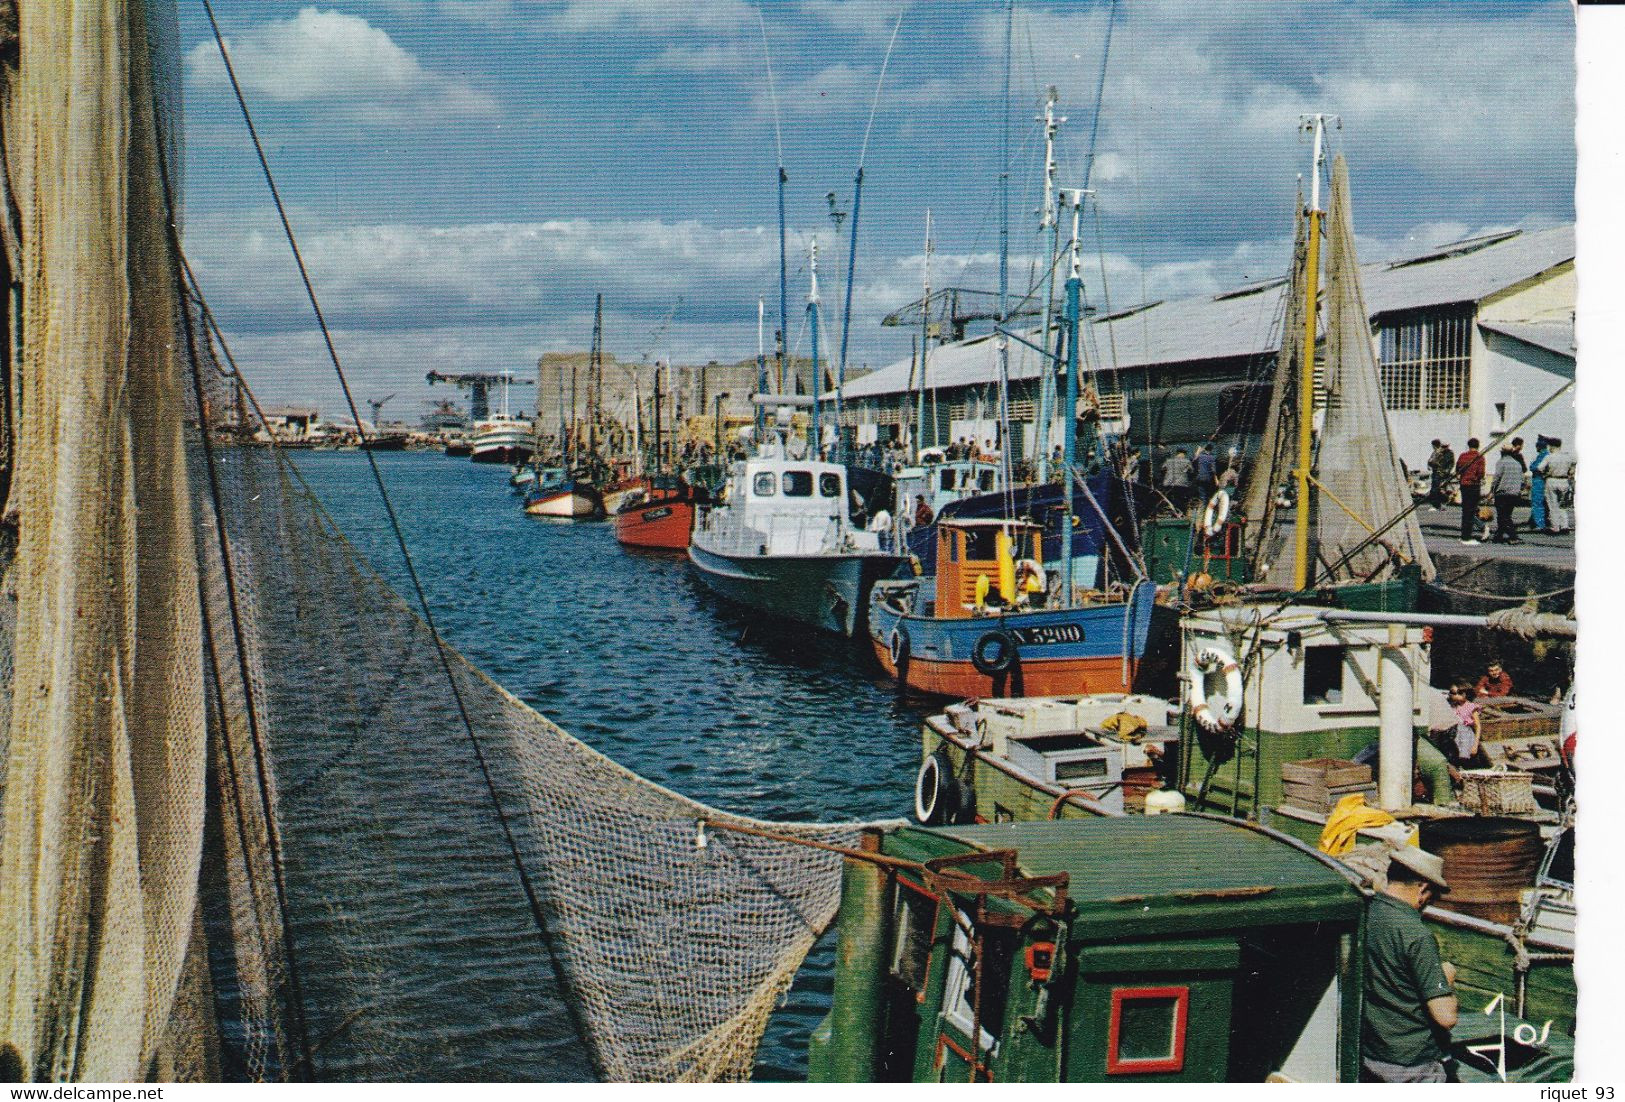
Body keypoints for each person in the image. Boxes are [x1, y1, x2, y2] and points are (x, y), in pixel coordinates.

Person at [1361, 848, 1458, 1083]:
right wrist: (1447, 981)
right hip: (1411, 1063)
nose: (1427, 905)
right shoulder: (1417, 935)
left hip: (1371, 1053)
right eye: (1432, 898)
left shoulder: (1365, 913)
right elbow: (1445, 1017)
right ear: (1423, 889)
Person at [1490, 437, 1526, 544]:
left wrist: (1492, 491)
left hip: (1502, 492)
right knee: (1506, 514)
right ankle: (1498, 536)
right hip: (1514, 493)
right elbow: (1522, 480)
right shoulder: (1517, 464)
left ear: (1502, 452)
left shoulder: (1501, 462)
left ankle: (1513, 536)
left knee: (1503, 515)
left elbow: (1497, 478)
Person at [1454, 439, 1485, 544]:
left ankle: (1464, 535)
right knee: (1471, 511)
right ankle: (1467, 536)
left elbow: (1457, 469)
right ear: (1478, 445)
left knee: (1465, 510)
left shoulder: (1463, 456)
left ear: (1468, 445)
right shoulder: (1480, 457)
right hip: (1474, 486)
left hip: (1464, 485)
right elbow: (1481, 473)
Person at [1542, 437, 1573, 533]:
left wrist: (1546, 473)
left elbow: (1540, 468)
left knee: (1553, 505)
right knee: (1562, 505)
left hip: (1552, 479)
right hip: (1564, 480)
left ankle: (1555, 527)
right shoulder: (1567, 457)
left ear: (1551, 446)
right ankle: (1565, 525)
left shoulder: (1549, 457)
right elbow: (1572, 467)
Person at [1160, 448, 1194, 514]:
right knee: (1181, 499)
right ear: (1183, 454)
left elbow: (1162, 469)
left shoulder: (1169, 460)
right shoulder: (1186, 461)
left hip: (1168, 483)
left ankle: (1171, 512)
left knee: (1169, 499)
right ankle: (1180, 513)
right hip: (1181, 483)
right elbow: (1192, 471)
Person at [1527, 437, 1550, 532]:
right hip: (1543, 481)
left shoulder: (1542, 455)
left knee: (1537, 503)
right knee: (1543, 503)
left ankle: (1540, 523)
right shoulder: (1547, 455)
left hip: (1538, 481)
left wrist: (1532, 466)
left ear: (1539, 447)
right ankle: (1537, 521)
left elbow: (1533, 467)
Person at [1426, 439, 1454, 509]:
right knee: (1435, 490)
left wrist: (1447, 471)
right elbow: (1431, 461)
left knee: (1438, 489)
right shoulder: (1438, 452)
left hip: (1443, 474)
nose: (1444, 448)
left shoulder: (1449, 453)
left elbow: (1451, 464)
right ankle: (1438, 504)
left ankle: (1441, 503)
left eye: (1445, 446)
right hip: (1436, 473)